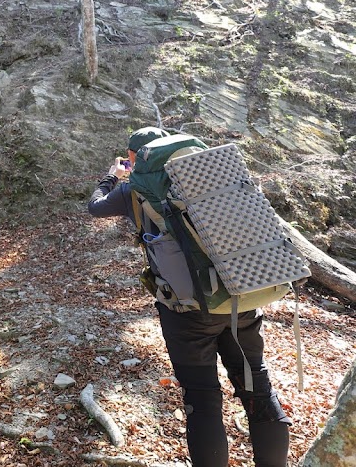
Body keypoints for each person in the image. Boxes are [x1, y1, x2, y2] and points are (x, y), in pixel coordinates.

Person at [87, 127, 291, 467]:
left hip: (187, 311)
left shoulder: (131, 189)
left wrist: (112, 176)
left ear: (136, 158)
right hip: (241, 295)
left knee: (202, 399)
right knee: (258, 388)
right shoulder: (210, 176)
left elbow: (94, 207)